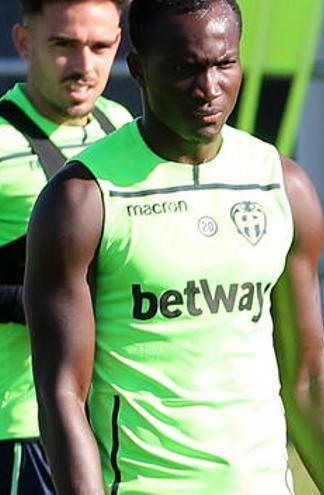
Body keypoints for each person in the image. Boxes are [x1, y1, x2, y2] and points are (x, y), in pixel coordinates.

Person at [23, 0, 324, 493]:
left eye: (223, 64)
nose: (209, 88)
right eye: (184, 68)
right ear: (139, 69)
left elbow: (309, 376)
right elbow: (62, 396)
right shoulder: (81, 200)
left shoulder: (283, 186)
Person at [0, 0, 132, 493]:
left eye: (100, 47)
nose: (84, 66)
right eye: (64, 45)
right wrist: (34, 301)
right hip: (18, 426)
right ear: (23, 42)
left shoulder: (121, 128)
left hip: (107, 421)